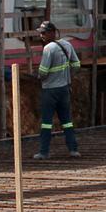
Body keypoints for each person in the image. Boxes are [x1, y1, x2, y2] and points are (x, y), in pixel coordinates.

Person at [33, 20, 81, 159]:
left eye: (43, 33)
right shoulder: (67, 45)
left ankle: (44, 152)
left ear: (52, 33)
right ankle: (73, 150)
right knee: (67, 121)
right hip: (64, 89)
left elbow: (43, 72)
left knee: (46, 123)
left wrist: (38, 76)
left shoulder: (48, 49)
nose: (41, 35)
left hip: (50, 90)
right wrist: (66, 76)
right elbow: (76, 65)